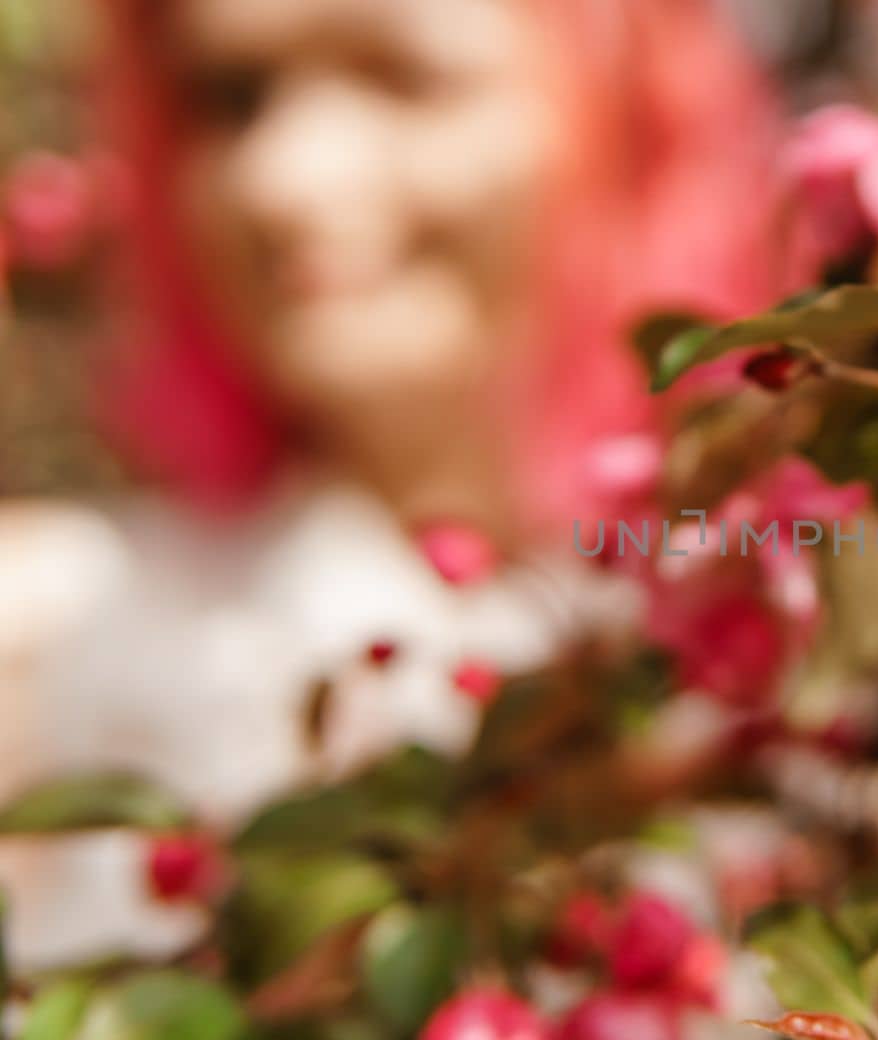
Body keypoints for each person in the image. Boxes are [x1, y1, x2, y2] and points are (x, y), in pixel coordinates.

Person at [0, 0, 787, 970]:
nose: (281, 176)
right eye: (231, 100)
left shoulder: (798, 621)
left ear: (622, 111)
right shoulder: (56, 641)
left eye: (405, 80)